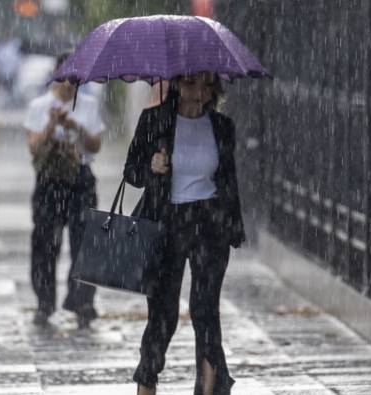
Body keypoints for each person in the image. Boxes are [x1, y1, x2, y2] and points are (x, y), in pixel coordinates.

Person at [124, 72, 246, 395]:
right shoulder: (155, 120)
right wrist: (152, 165)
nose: (199, 92)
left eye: (207, 84)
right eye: (191, 83)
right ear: (177, 84)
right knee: (163, 314)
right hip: (166, 224)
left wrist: (234, 226)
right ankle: (146, 382)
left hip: (210, 224)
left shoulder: (222, 127)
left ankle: (209, 389)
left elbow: (229, 182)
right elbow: (131, 173)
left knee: (205, 310)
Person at [23, 53, 105, 329]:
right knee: (45, 242)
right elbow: (33, 147)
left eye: (76, 76)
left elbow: (95, 145)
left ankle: (82, 301)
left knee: (85, 242)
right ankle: (44, 301)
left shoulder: (88, 104)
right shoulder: (39, 105)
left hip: (80, 178)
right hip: (49, 180)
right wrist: (50, 125)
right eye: (66, 75)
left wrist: (75, 126)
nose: (71, 82)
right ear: (56, 73)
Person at [0, 32, 22, 107]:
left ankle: (12, 103)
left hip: (12, 72)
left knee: (11, 88)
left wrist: (16, 69)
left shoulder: (14, 46)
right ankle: (4, 104)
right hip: (2, 73)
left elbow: (18, 59)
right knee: (3, 89)